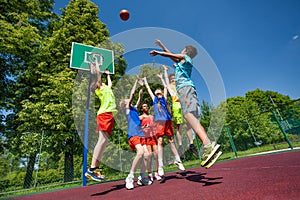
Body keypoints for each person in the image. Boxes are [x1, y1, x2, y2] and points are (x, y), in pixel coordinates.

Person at [149, 39, 221, 167]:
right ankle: (208, 145)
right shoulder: (182, 61)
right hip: (187, 90)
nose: (180, 51)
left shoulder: (185, 57)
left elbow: (169, 55)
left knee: (188, 116)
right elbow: (171, 54)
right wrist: (162, 45)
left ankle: (208, 145)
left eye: (182, 49)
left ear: (186, 51)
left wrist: (158, 52)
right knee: (191, 119)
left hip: (185, 90)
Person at [143, 76, 185, 177]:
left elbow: (166, 87)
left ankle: (177, 160)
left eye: (159, 93)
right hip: (159, 123)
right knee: (160, 141)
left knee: (171, 141)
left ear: (162, 93)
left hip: (168, 121)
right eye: (156, 93)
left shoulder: (164, 99)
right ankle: (160, 165)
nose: (158, 94)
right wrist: (145, 81)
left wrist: (162, 78)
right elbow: (148, 89)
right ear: (155, 95)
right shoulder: (154, 100)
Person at [85, 55, 117, 182]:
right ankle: (91, 169)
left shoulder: (107, 88)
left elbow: (110, 83)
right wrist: (97, 63)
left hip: (110, 115)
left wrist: (108, 74)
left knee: (105, 141)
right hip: (104, 114)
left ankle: (96, 169)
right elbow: (98, 75)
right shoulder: (100, 88)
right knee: (102, 140)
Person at [120, 77, 152, 190]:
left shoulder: (134, 109)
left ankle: (142, 177)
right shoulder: (127, 109)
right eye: (125, 100)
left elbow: (139, 96)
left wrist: (142, 86)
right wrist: (135, 82)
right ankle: (130, 177)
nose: (127, 99)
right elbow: (133, 94)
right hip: (133, 134)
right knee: (140, 152)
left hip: (140, 133)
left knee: (147, 155)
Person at [163, 65, 199, 159]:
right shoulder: (170, 87)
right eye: (172, 79)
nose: (174, 80)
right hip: (176, 105)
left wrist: (176, 68)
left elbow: (181, 77)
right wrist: (165, 71)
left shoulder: (179, 86)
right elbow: (166, 82)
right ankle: (180, 146)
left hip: (184, 104)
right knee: (179, 127)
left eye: (174, 78)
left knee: (189, 124)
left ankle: (191, 144)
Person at [139, 103, 162, 181]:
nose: (146, 107)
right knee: (149, 156)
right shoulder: (140, 117)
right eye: (144, 106)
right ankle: (149, 174)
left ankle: (156, 173)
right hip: (146, 137)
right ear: (142, 109)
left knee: (156, 154)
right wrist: (143, 127)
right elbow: (137, 128)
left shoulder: (152, 117)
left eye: (147, 106)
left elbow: (155, 126)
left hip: (153, 137)